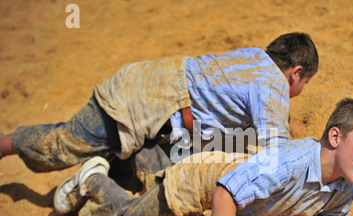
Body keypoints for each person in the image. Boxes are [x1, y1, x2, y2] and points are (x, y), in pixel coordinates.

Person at [51, 97, 353, 216]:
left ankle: (143, 153)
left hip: (235, 179)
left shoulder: (347, 185)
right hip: (203, 184)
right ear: (335, 136)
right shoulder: (286, 163)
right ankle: (94, 176)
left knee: (153, 175)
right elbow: (224, 193)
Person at [0, 32, 318, 172]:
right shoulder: (273, 83)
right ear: (296, 73)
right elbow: (278, 155)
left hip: (151, 85)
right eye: (304, 84)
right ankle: (3, 146)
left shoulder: (254, 58)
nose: (298, 92)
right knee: (63, 145)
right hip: (141, 101)